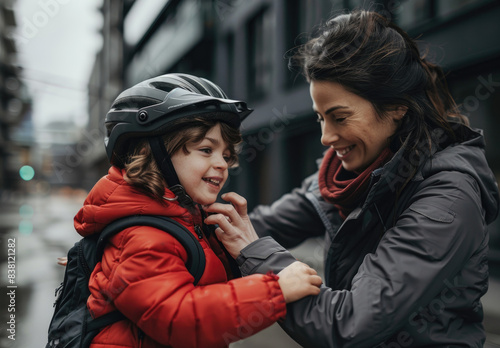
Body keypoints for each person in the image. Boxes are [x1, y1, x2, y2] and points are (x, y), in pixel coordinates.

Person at [204, 10, 500, 347]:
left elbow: (347, 325)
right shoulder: (342, 178)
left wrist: (255, 254)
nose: (326, 137)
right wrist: (169, 227)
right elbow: (260, 225)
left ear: (396, 107)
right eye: (320, 118)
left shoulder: (448, 196)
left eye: (339, 117)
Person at [73, 73, 322, 348]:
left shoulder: (187, 221)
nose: (223, 163)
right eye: (206, 149)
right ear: (156, 154)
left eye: (227, 155)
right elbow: (179, 318)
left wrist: (242, 246)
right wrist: (274, 290)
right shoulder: (143, 236)